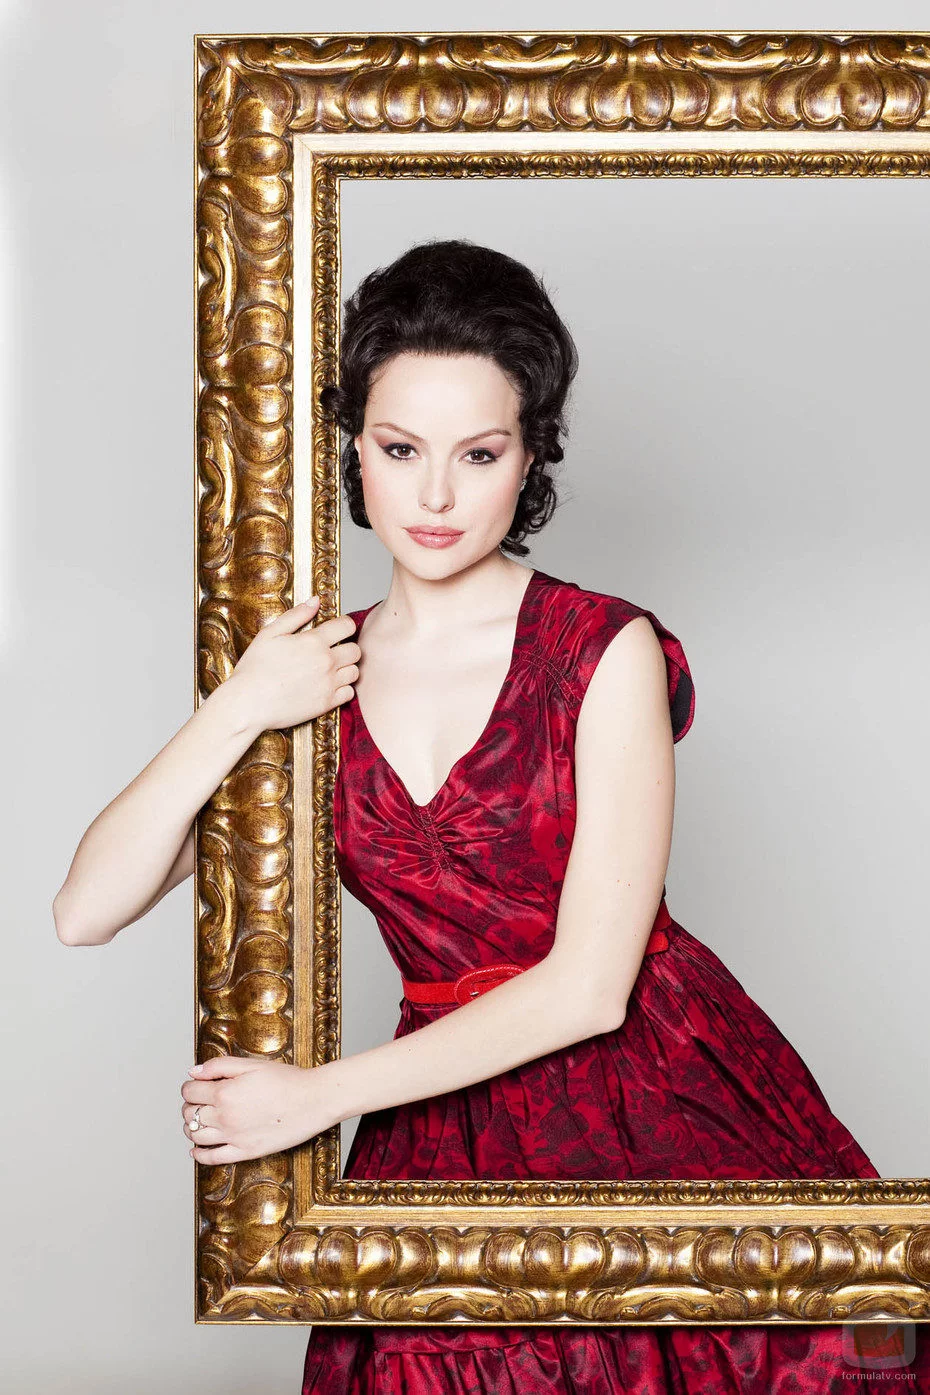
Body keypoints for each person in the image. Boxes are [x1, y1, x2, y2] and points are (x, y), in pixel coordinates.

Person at [52, 239, 925, 1394]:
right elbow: (86, 910)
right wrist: (237, 707)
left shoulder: (602, 648)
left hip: (655, 1101)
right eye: (400, 448)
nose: (436, 496)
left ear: (529, 459)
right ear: (352, 447)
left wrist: (316, 1099)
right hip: (435, 1120)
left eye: (479, 453)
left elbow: (591, 988)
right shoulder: (312, 678)